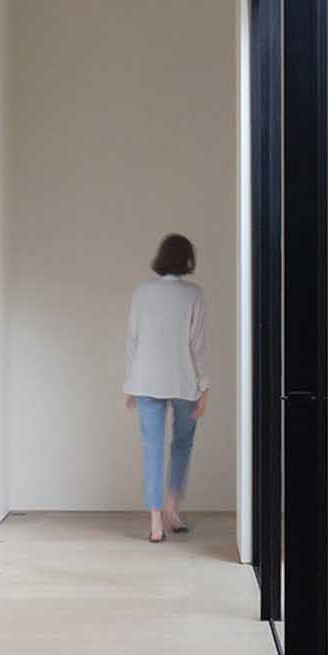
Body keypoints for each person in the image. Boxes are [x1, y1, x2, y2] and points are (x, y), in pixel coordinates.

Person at [124, 231, 207, 546]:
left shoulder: (141, 292)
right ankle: (173, 507)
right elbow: (196, 346)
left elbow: (133, 340)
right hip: (183, 380)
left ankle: (156, 521)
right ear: (188, 260)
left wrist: (129, 382)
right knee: (182, 445)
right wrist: (205, 386)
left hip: (145, 379)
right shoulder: (194, 294)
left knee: (152, 448)